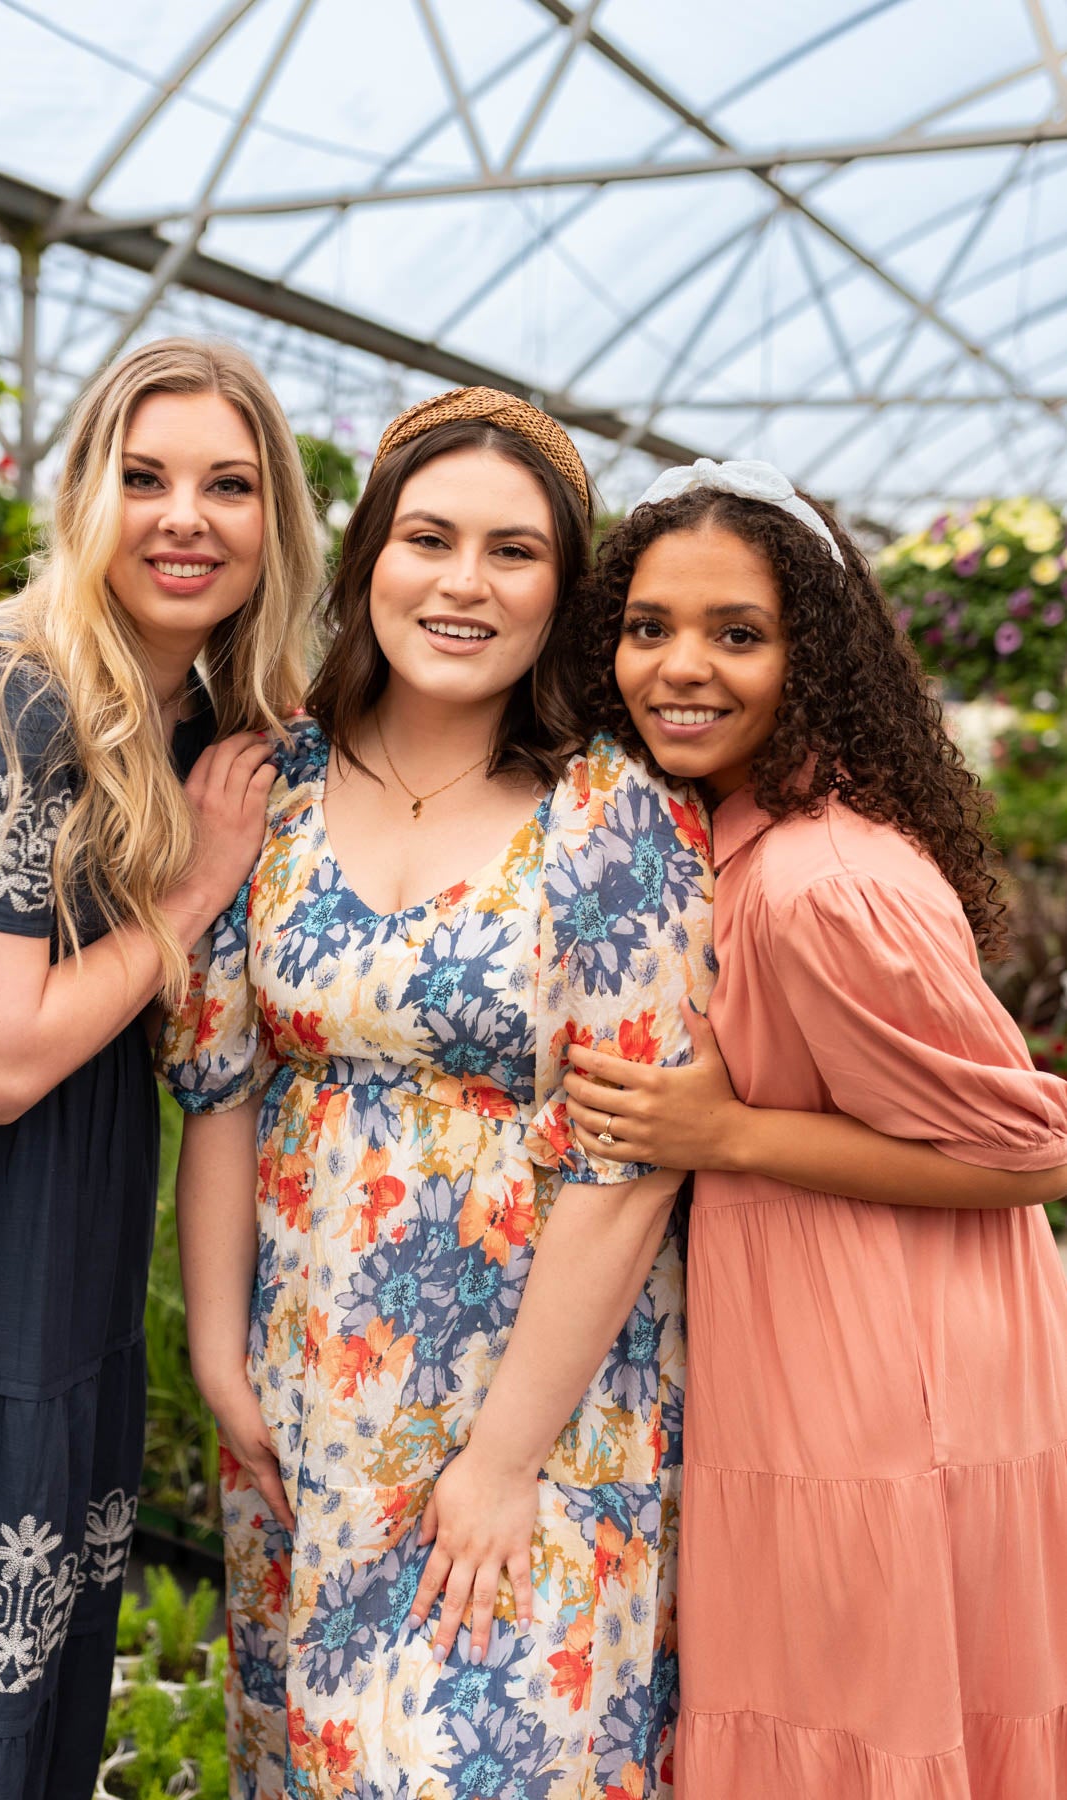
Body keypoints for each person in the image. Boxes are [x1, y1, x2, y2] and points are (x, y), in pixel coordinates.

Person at [157, 386, 716, 1799]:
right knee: (318, 1763)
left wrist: (500, 1457)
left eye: (513, 552)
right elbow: (223, 1085)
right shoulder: (266, 787)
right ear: (367, 564)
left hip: (535, 1409)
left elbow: (628, 1161)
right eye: (428, 538)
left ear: (563, 593)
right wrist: (220, 1354)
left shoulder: (614, 819)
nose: (463, 583)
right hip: (311, 1400)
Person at [563, 456, 1067, 1797]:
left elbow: (1035, 1149)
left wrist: (725, 1137)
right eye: (647, 628)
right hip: (842, 1343)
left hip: (878, 1381)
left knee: (842, 1724)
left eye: (738, 635)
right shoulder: (742, 830)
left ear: (813, 657)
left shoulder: (814, 879)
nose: (680, 668)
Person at [0, 337, 322, 1800]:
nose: (184, 516)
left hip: (59, 1300)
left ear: (277, 524)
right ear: (82, 497)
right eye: (144, 477)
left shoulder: (197, 726)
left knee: (27, 1726)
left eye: (228, 485)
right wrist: (190, 893)